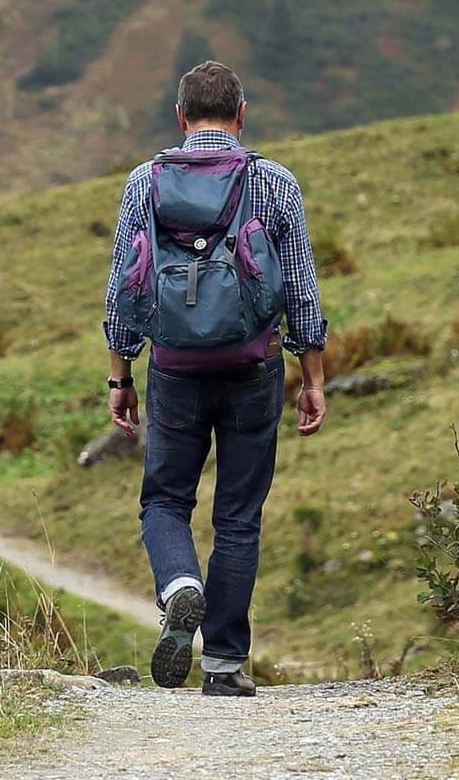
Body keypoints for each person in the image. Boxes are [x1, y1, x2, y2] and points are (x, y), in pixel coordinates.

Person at [102, 61, 328, 697]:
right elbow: (302, 291)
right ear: (242, 113)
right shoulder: (274, 183)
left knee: (165, 499)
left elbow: (125, 285)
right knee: (238, 516)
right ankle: (225, 665)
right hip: (254, 366)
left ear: (180, 116)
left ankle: (180, 586)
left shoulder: (144, 183)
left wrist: (120, 374)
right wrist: (312, 376)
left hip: (173, 368)